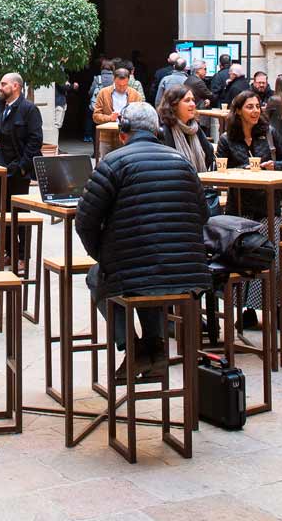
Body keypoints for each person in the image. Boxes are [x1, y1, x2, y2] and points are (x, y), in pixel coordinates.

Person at [76, 102, 210, 381]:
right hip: (188, 273)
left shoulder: (112, 163)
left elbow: (85, 221)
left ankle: (134, 348)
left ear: (123, 133)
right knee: (149, 276)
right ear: (157, 131)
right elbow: (203, 214)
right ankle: (156, 349)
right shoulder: (182, 162)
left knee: (99, 277)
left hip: (135, 273)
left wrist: (102, 256)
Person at [216, 89, 282, 327]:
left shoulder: (268, 134)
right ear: (238, 111)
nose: (255, 111)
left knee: (275, 259)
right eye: (250, 107)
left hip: (269, 205)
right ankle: (246, 310)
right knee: (243, 260)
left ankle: (279, 309)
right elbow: (218, 168)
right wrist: (239, 171)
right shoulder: (227, 139)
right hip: (240, 209)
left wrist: (274, 166)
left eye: (257, 106)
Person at [0, 73, 43, 262]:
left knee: (20, 215)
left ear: (16, 86)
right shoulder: (1, 105)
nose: (0, 87)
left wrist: (22, 167)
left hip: (18, 172)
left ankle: (22, 256)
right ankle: (9, 252)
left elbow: (35, 141)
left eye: (3, 84)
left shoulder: (29, 109)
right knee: (2, 214)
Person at [158, 84, 219, 216]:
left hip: (198, 191)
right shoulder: (164, 131)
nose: (192, 104)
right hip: (174, 195)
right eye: (187, 100)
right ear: (173, 105)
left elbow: (208, 154)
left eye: (193, 100)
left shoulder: (195, 128)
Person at [93, 67, 143, 158]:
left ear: (128, 81)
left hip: (127, 137)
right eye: (119, 85)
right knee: (106, 165)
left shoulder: (135, 95)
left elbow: (140, 117)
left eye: (125, 85)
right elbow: (96, 116)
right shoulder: (103, 93)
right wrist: (109, 118)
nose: (122, 88)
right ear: (114, 79)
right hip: (107, 137)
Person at [185, 59, 212, 131]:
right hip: (198, 114)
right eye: (205, 69)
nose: (206, 71)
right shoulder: (198, 82)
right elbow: (210, 96)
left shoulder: (189, 79)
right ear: (198, 70)